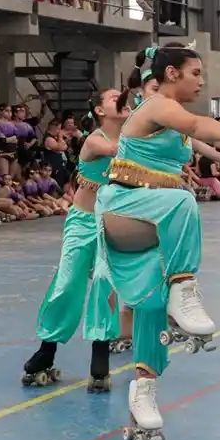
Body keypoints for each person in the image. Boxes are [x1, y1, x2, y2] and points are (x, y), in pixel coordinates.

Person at [97, 44, 220, 440]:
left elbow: (199, 142)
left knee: (150, 307)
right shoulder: (157, 104)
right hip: (127, 209)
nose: (202, 79)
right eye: (196, 72)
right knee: (182, 200)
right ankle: (184, 286)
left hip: (154, 220)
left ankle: (142, 395)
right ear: (173, 74)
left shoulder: (172, 119)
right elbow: (200, 127)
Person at [22, 90, 130, 391]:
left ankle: (99, 354)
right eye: (114, 98)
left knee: (104, 285)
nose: (122, 101)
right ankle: (48, 348)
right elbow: (120, 149)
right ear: (99, 110)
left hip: (113, 223)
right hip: (82, 221)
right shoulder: (96, 139)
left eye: (125, 98)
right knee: (68, 282)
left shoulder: (133, 134)